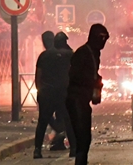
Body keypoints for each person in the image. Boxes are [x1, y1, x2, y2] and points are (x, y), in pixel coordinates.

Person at [66, 24, 108, 165]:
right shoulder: (83, 53)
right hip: (76, 99)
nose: (104, 42)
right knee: (82, 139)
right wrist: (93, 82)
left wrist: (96, 80)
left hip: (83, 100)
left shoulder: (94, 52)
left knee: (85, 139)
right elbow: (75, 75)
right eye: (102, 38)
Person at [33, 31, 75, 159]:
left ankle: (37, 150)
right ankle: (74, 149)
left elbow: (38, 76)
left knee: (42, 122)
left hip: (47, 92)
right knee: (69, 122)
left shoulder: (44, 56)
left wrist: (40, 90)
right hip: (63, 93)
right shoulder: (69, 55)